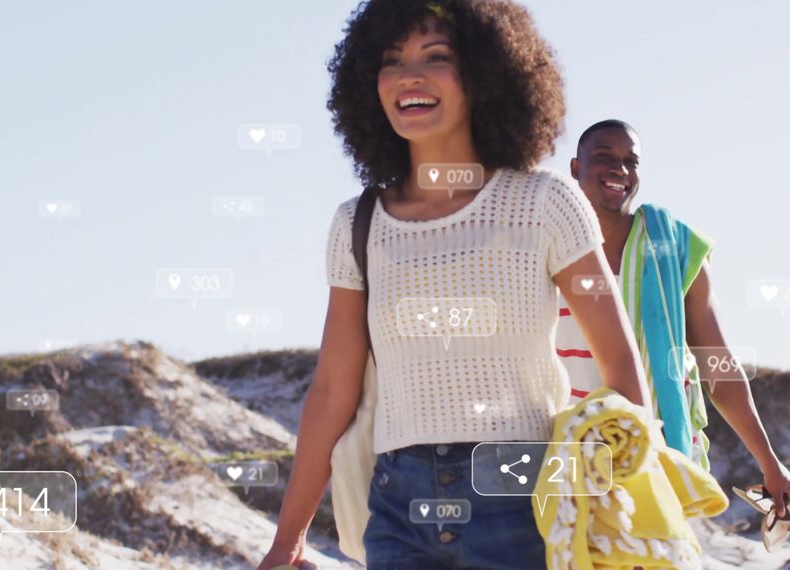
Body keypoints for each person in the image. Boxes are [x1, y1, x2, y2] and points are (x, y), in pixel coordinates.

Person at [260, 2, 652, 569]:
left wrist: (624, 509)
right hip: (399, 502)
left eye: (435, 57)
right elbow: (330, 391)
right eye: (391, 60)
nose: (409, 75)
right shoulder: (357, 223)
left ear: (486, 73)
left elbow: (619, 367)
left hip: (520, 489)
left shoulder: (544, 202)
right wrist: (287, 540)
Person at [557, 119, 790, 520]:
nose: (620, 169)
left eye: (631, 161)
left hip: (654, 462)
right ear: (575, 168)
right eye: (604, 157)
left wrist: (769, 460)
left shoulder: (675, 251)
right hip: (562, 457)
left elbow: (717, 366)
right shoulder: (546, 247)